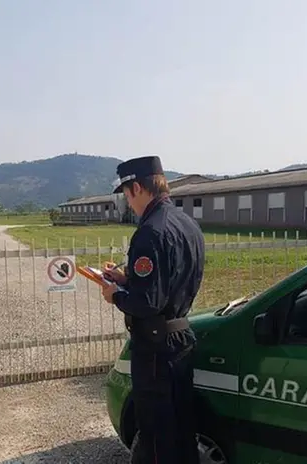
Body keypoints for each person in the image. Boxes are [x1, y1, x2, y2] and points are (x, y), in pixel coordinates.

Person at [101, 155, 205, 464]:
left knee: (157, 436)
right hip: (181, 338)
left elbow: (147, 303)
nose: (128, 204)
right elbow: (170, 280)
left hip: (156, 349)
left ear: (136, 188)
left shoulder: (150, 232)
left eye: (126, 195)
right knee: (183, 430)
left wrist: (114, 295)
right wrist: (126, 278)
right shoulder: (186, 223)